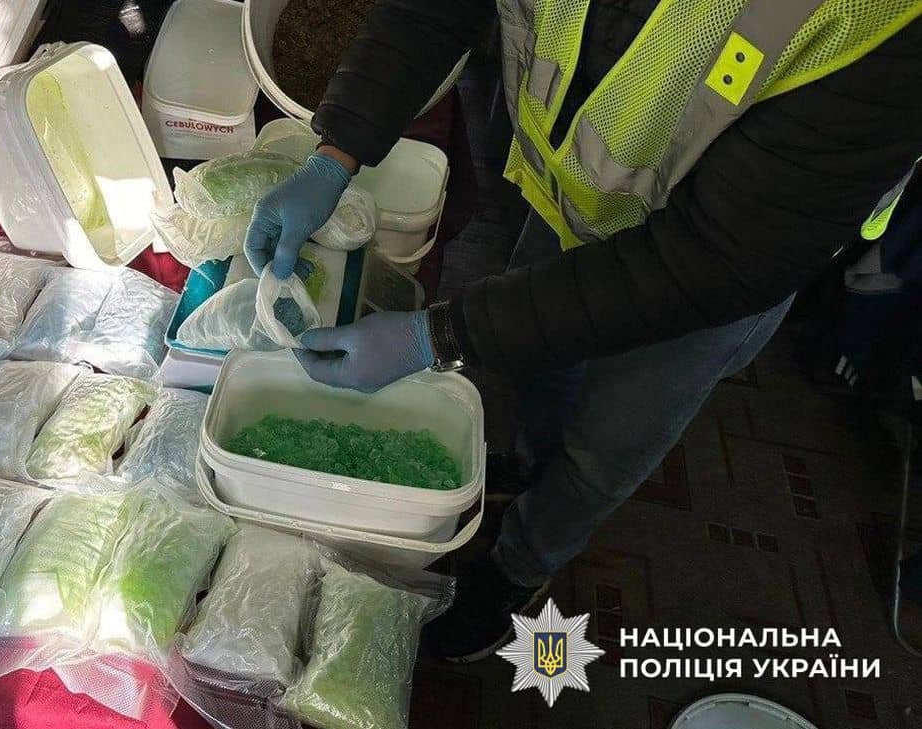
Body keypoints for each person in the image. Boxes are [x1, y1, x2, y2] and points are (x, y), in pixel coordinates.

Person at [243, 1, 922, 663]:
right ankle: (529, 461)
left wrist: (438, 338)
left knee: (608, 443)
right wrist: (336, 152)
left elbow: (712, 258)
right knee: (539, 359)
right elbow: (432, 11)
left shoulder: (876, 22)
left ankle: (520, 565)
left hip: (709, 272)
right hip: (575, 193)